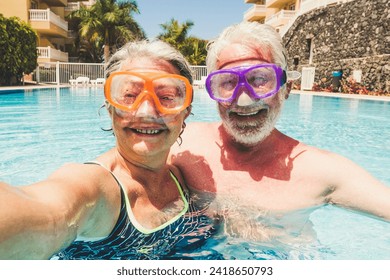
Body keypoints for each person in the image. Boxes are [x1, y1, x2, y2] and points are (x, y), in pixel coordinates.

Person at [170, 22, 390, 244]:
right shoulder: (183, 145)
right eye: (228, 82)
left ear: (286, 89)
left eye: (259, 79)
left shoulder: (325, 172)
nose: (244, 100)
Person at [0, 40, 214, 260]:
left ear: (185, 111)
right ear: (110, 108)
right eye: (130, 96)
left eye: (167, 97)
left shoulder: (182, 176)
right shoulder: (97, 186)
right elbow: (48, 211)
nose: (147, 111)